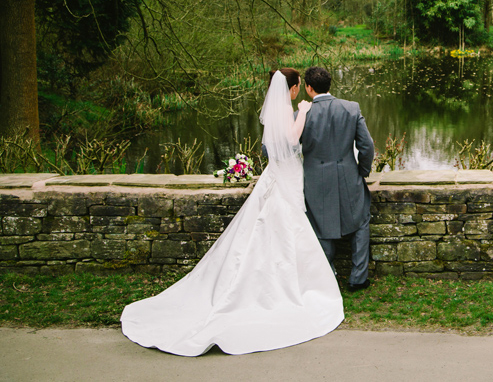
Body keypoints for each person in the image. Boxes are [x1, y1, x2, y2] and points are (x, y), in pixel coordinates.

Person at [120, 69, 344, 356]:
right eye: (298, 86)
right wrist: (302, 112)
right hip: (286, 177)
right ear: (294, 87)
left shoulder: (276, 110)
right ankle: (288, 289)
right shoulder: (291, 109)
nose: (300, 91)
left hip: (278, 176)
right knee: (287, 225)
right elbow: (290, 141)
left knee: (274, 228)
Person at [301, 66, 375, 292]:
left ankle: (328, 274)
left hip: (315, 181)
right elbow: (367, 146)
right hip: (348, 175)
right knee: (361, 221)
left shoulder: (302, 115)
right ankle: (358, 278)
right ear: (329, 85)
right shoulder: (351, 108)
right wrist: (362, 170)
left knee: (320, 226)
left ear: (308, 87)